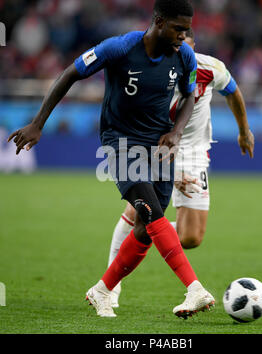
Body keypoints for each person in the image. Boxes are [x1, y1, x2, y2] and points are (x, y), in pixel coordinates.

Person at [8, 0, 215, 319]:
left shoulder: (183, 56)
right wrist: (38, 123)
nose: (184, 35)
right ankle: (194, 288)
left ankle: (102, 290)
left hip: (160, 144)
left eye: (187, 28)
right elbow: (69, 74)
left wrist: (176, 131)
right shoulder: (119, 48)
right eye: (178, 28)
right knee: (151, 212)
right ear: (158, 21)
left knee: (147, 229)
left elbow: (189, 95)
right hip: (121, 143)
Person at [107, 29, 254, 308]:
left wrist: (244, 130)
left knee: (191, 237)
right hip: (157, 146)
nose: (180, 52)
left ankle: (153, 230)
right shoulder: (153, 73)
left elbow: (233, 91)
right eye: (174, 46)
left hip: (195, 152)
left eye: (185, 45)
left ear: (193, 46)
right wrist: (172, 175)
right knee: (139, 210)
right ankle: (111, 285)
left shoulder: (210, 68)